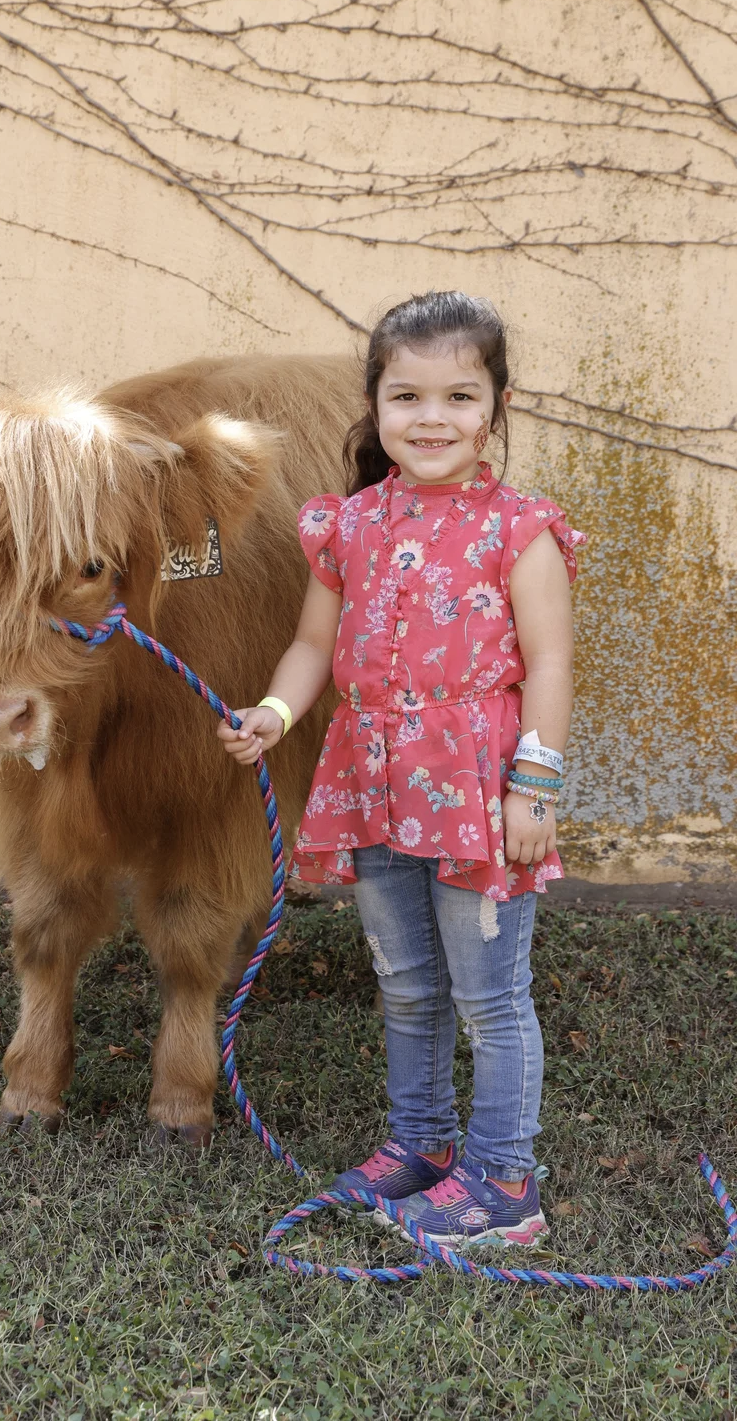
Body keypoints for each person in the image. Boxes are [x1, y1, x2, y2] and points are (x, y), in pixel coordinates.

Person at [218, 291, 585, 1250]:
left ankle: (504, 1182)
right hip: (373, 785)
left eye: (460, 397)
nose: (432, 419)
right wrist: (274, 711)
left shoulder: (521, 529)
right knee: (407, 981)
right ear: (375, 406)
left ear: (497, 409)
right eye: (407, 396)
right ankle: (421, 1145)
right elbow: (311, 644)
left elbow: (549, 662)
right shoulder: (347, 526)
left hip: (477, 794)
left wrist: (534, 786)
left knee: (488, 994)